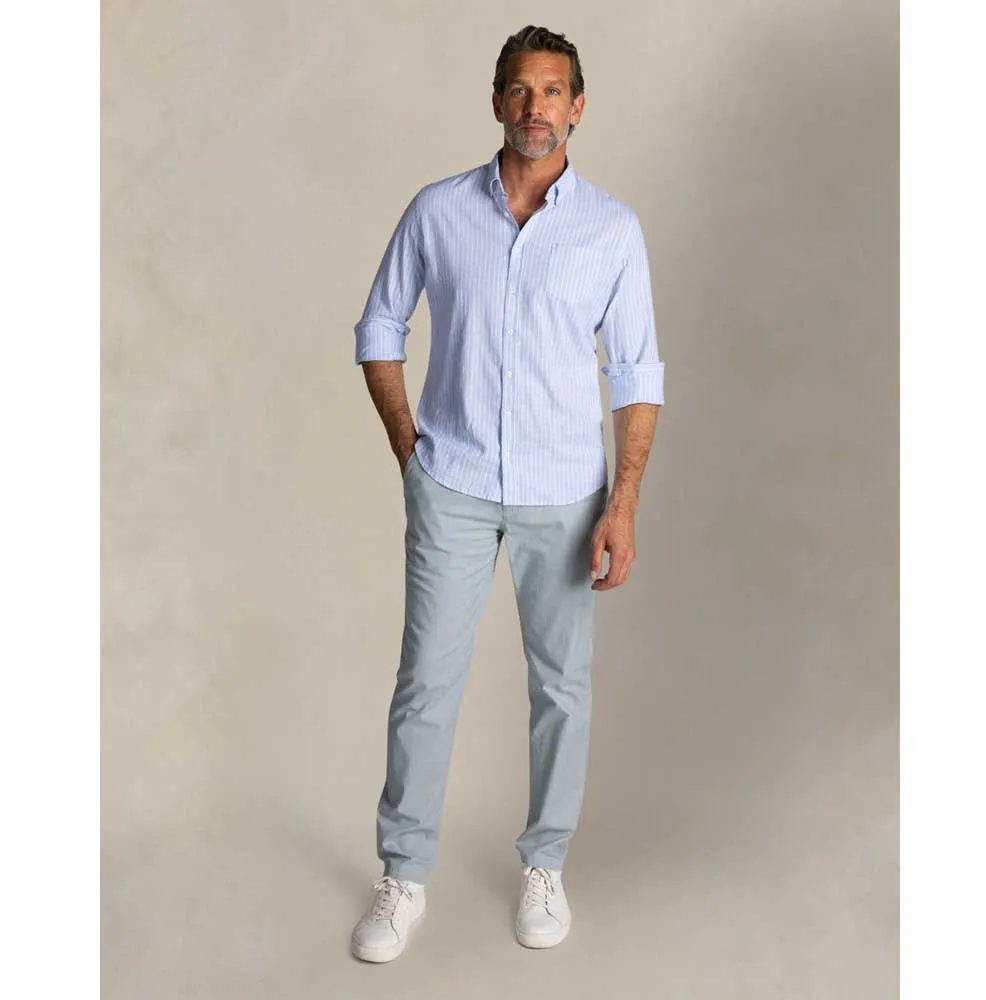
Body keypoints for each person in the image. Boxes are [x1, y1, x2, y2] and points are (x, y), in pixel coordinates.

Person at [349, 24, 664, 963]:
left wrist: (623, 505)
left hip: (565, 494)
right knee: (425, 684)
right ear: (496, 101)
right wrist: (410, 449)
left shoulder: (611, 229)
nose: (536, 107)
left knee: (561, 688)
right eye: (520, 90)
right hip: (451, 482)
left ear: (578, 107)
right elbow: (378, 327)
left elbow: (636, 375)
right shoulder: (438, 211)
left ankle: (545, 866)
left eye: (553, 91)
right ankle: (404, 876)